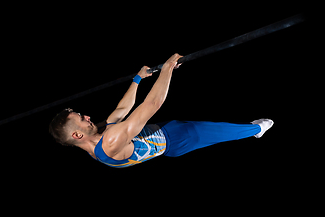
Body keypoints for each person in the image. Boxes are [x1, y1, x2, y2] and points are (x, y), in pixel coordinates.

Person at [49, 54, 274, 168]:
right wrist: (167, 69)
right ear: (77, 135)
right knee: (221, 131)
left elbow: (121, 110)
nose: (87, 117)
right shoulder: (110, 142)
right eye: (81, 119)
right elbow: (151, 106)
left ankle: (253, 129)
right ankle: (257, 129)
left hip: (168, 138)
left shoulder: (99, 145)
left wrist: (138, 79)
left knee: (215, 130)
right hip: (177, 138)